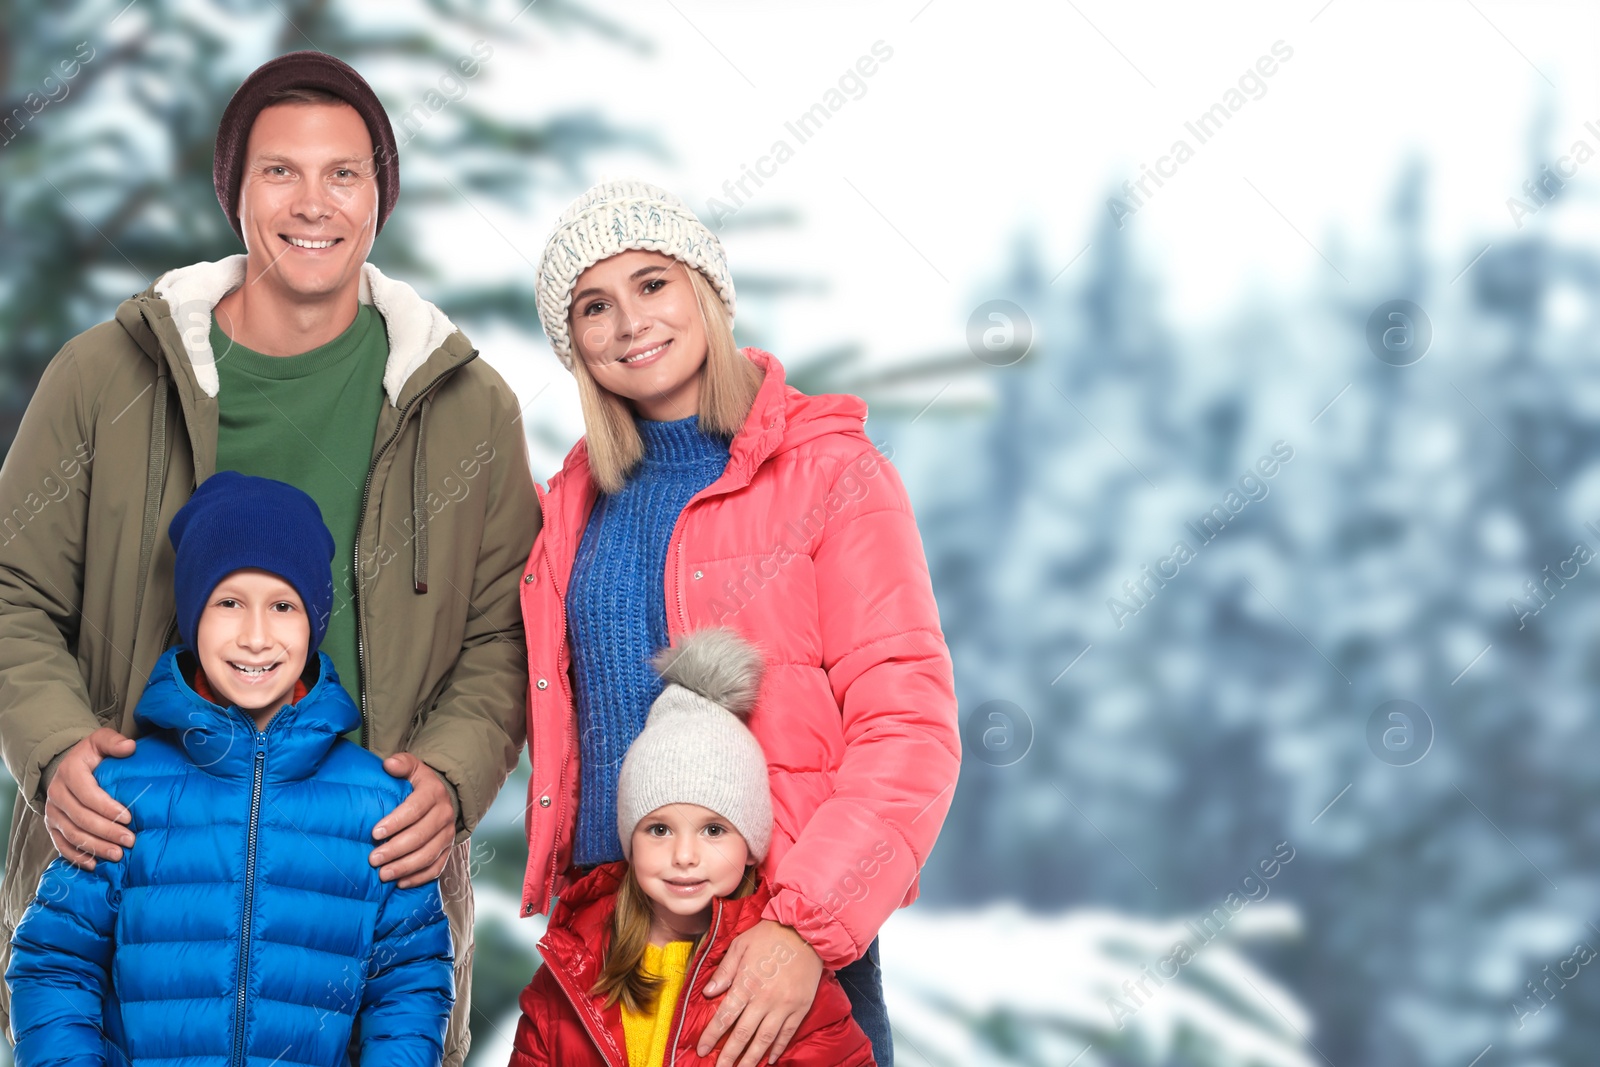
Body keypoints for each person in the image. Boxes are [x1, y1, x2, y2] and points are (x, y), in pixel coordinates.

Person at [0, 52, 537, 1063]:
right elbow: (11, 583)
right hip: (136, 905)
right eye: (278, 171)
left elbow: (502, 629)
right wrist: (54, 740)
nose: (313, 202)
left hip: (363, 913)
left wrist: (455, 775)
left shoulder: (465, 406)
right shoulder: (108, 373)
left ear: (381, 195)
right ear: (233, 191)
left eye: (345, 172)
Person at [519, 178, 961, 1067]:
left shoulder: (829, 473)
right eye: (592, 306)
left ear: (707, 293)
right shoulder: (571, 502)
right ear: (574, 344)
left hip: (778, 942)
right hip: (611, 944)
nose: (629, 321)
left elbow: (909, 725)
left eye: (653, 283)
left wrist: (807, 927)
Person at [6, 472, 454, 1065]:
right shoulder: (119, 792)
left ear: (315, 622)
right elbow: (55, 966)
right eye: (229, 603)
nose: (255, 637)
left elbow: (411, 979)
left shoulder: (378, 803)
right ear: (193, 616)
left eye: (283, 606)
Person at [510, 628, 874, 1066]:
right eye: (659, 830)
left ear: (752, 846)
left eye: (714, 830)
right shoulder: (570, 967)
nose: (684, 856)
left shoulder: (786, 978)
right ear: (629, 840)